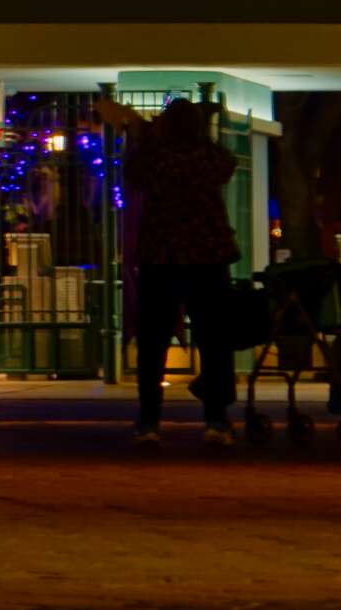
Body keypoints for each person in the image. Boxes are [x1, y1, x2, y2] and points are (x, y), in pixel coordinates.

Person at [98, 93, 240, 447]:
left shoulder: (154, 159)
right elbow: (227, 164)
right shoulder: (209, 157)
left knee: (153, 342)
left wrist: (146, 137)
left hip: (161, 257)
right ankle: (217, 419)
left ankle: (149, 421)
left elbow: (133, 175)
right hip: (207, 256)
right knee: (213, 341)